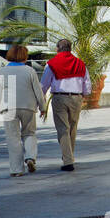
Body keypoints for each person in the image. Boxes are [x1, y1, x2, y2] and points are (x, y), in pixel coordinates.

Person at [41, 38, 92, 172]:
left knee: (62, 129)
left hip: (59, 97)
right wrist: (85, 95)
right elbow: (87, 83)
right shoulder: (80, 64)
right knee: (72, 128)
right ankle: (69, 157)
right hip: (76, 98)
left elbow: (44, 83)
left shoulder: (51, 64)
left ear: (58, 49)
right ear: (70, 49)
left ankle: (68, 160)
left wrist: (40, 98)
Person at [0, 45, 46, 177]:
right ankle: (30, 157)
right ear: (24, 56)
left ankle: (17, 169)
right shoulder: (29, 71)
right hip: (28, 106)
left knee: (13, 138)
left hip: (8, 107)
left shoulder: (2, 71)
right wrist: (43, 107)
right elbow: (38, 91)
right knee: (29, 133)